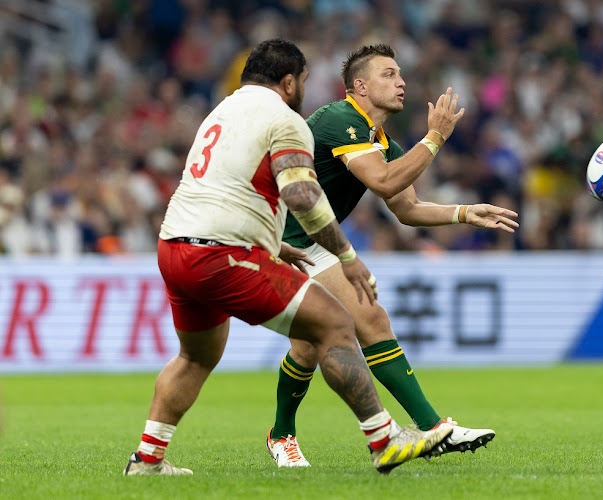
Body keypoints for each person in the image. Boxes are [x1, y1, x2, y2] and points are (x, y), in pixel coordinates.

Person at [123, 39, 452, 476]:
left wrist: (272, 241)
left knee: (195, 357)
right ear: (290, 81)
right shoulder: (286, 120)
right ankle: (384, 438)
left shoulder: (219, 114)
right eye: (304, 83)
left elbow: (220, 186)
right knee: (335, 322)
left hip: (175, 247)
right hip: (222, 254)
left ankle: (147, 460)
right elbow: (302, 194)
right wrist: (346, 254)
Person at [267, 44, 519, 467]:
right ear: (359, 86)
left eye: (400, 74)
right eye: (388, 74)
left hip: (313, 243)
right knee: (360, 321)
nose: (401, 81)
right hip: (272, 239)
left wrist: (463, 213)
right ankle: (431, 427)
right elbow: (383, 182)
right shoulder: (340, 119)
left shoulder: (380, 141)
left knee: (318, 342)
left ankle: (283, 434)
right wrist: (435, 137)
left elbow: (406, 208)